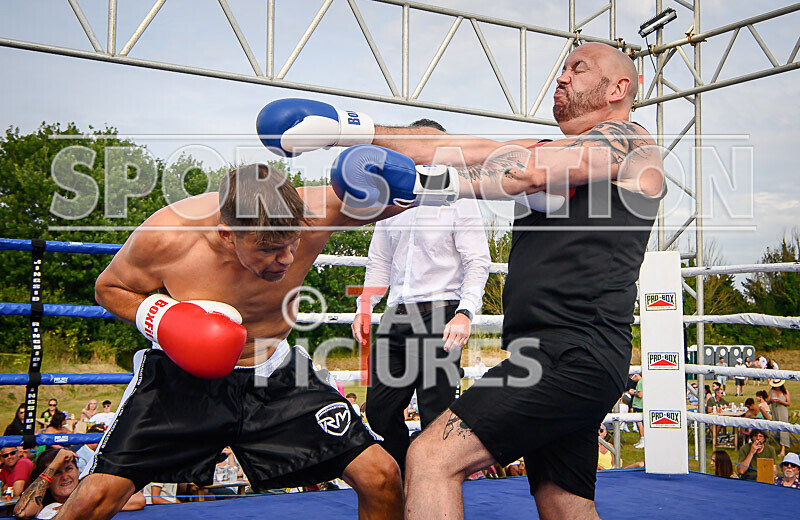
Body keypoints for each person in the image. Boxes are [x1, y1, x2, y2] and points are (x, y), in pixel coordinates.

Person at [261, 42, 664, 517]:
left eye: (578, 68)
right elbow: (462, 149)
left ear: (620, 87)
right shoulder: (562, 151)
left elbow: (527, 175)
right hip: (550, 352)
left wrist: (425, 187)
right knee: (563, 503)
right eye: (561, 68)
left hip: (573, 354)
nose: (561, 77)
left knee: (430, 457)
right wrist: (349, 129)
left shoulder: (633, 145)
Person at [52, 163, 403, 520]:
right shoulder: (168, 234)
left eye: (292, 242)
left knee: (382, 475)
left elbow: (412, 194)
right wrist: (167, 319)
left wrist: (391, 156)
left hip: (274, 371)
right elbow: (108, 289)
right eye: (268, 249)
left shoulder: (316, 211)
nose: (285, 259)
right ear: (227, 234)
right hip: (183, 380)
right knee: (93, 500)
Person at [351, 182, 490, 473]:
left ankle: (434, 487)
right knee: (379, 411)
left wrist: (465, 312)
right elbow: (380, 260)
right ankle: (405, 477)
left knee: (436, 415)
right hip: (397, 316)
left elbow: (476, 261)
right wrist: (364, 306)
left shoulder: (459, 198)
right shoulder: (392, 200)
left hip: (442, 316)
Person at [13, 448, 144, 519]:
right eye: (56, 472)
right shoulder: (42, 502)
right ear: (47, 479)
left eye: (69, 469)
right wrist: (54, 464)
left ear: (77, 471)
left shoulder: (89, 489)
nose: (65, 477)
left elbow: (138, 500)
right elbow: (22, 512)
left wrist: (78, 506)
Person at [767, 379, 791, 456]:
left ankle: (783, 449)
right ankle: (778, 446)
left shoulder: (785, 391)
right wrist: (771, 400)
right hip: (774, 411)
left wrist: (780, 401)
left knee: (783, 430)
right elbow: (767, 402)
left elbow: (788, 403)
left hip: (783, 411)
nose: (777, 387)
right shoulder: (771, 391)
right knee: (776, 428)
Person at [631, 373, 645, 448]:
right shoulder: (642, 382)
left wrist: (633, 392)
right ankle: (641, 439)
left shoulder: (640, 382)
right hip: (639, 404)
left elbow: (640, 395)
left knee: (639, 422)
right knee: (638, 422)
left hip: (639, 405)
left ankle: (643, 439)